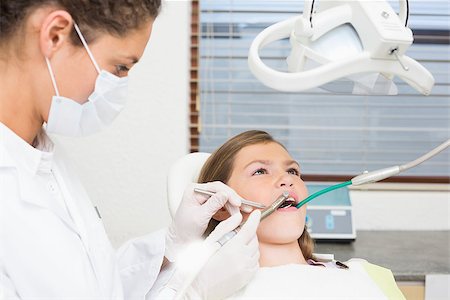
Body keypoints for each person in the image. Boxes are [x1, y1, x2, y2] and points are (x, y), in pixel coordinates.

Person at [0, 1, 260, 299]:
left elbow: (94, 286)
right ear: (56, 34)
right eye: (120, 67)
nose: (120, 87)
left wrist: (172, 244)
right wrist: (194, 292)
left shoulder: (43, 156)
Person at [197, 130, 406, 299]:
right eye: (260, 171)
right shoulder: (207, 291)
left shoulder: (370, 276)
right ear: (222, 205)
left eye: (293, 171)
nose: (287, 180)